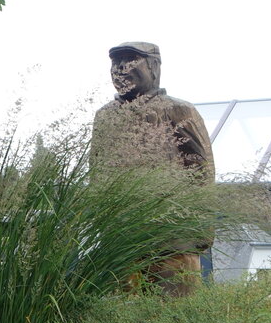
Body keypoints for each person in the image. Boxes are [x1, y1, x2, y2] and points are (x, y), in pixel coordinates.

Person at [90, 42, 215, 296]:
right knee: (123, 313)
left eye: (131, 60)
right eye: (116, 62)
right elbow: (97, 172)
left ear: (154, 67)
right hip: (122, 238)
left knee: (174, 311)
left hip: (173, 237)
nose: (121, 68)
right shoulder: (105, 116)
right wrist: (103, 223)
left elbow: (202, 169)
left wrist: (201, 229)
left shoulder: (177, 109)